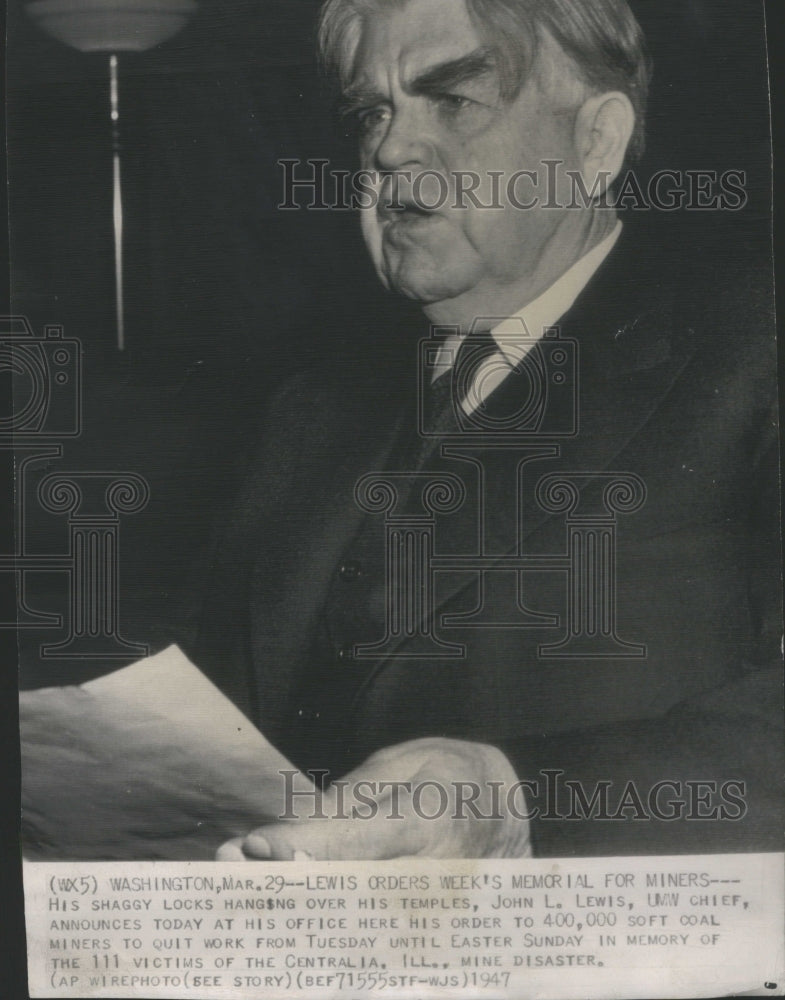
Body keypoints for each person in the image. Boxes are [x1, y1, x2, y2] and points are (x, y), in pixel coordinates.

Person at [188, 0, 781, 860]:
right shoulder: (308, 407)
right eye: (371, 112)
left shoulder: (754, 352)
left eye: (453, 101)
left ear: (595, 144)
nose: (388, 150)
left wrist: (514, 801)